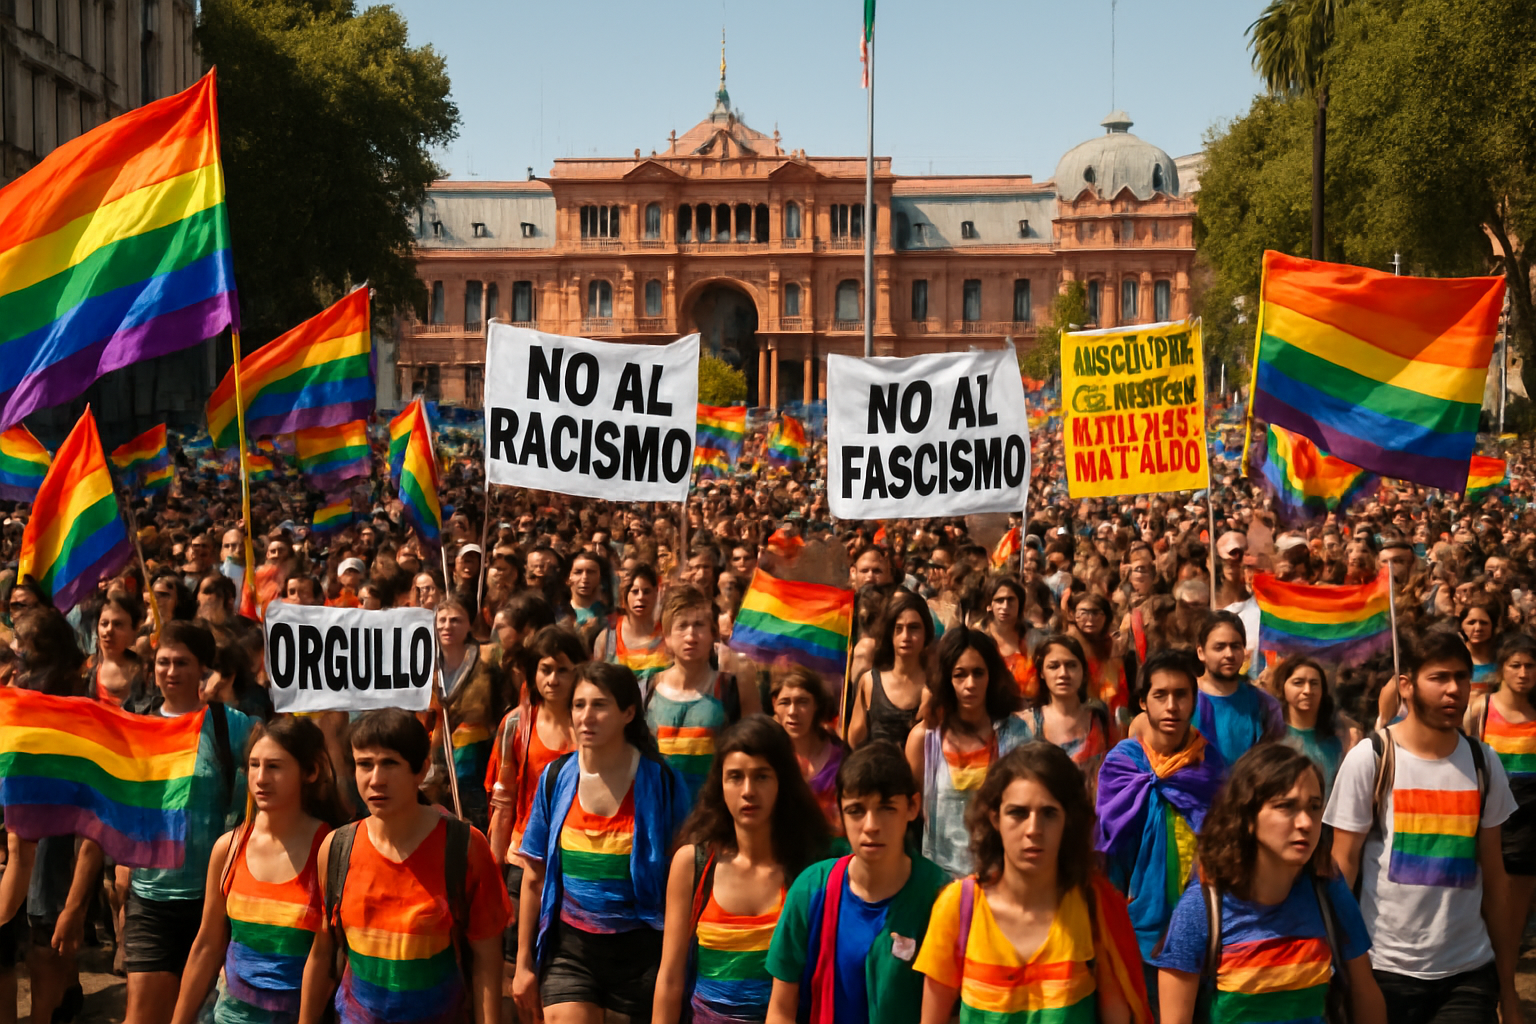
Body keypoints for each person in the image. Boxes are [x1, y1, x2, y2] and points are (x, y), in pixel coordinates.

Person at [1324, 631, 1521, 1024]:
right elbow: (1341, 869)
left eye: (1462, 677)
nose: (1453, 690)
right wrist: (1334, 967)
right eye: (1439, 677)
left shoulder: (1485, 763)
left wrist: (1508, 988)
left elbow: (1496, 881)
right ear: (1406, 686)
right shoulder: (1372, 758)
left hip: (1469, 972)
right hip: (1383, 971)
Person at [298, 708, 510, 1024]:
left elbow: (487, 961)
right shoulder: (336, 848)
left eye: (390, 764)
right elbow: (321, 953)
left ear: (421, 769)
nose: (375, 779)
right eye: (364, 764)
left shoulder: (464, 847)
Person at [914, 743, 1150, 1024]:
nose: (1033, 830)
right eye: (1018, 813)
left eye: (1049, 813)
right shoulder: (958, 908)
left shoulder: (1094, 907)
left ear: (1068, 822)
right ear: (995, 818)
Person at [1152, 744, 1386, 1024]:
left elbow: (1365, 992)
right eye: (1286, 806)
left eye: (1314, 807)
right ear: (1248, 817)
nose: (1306, 823)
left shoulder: (1328, 891)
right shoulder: (1201, 909)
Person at [513, 662, 691, 1024]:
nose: (586, 716)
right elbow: (533, 878)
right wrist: (523, 965)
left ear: (628, 713)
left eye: (600, 705)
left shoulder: (664, 783)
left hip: (642, 955)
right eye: (579, 705)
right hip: (570, 952)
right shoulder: (555, 778)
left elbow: (684, 883)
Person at [653, 716, 829, 1024]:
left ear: (781, 783)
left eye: (762, 776)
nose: (748, 790)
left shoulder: (809, 871)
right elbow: (670, 977)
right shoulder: (693, 866)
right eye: (735, 776)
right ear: (719, 784)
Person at [170, 717, 344, 1024]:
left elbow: (327, 960)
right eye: (254, 765)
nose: (261, 778)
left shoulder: (329, 849)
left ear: (310, 772)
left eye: (275, 766)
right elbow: (207, 945)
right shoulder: (228, 847)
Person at [124, 621, 255, 1024]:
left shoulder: (231, 725)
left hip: (214, 900)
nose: (170, 671)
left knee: (200, 1015)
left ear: (203, 668)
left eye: (182, 662)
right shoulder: (135, 723)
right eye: (163, 662)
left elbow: (265, 788)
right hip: (149, 898)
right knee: (142, 1015)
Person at [764, 741, 948, 1024]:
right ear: (839, 813)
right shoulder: (811, 889)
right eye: (856, 810)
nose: (871, 825)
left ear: (912, 807)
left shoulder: (940, 897)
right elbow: (780, 1009)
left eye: (887, 808)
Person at [1095, 649, 1225, 995]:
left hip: (1201, 925)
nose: (1172, 706)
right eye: (1160, 695)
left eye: (1181, 695)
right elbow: (1108, 846)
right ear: (1142, 702)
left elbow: (1222, 841)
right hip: (1134, 926)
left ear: (1194, 701)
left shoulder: (1209, 764)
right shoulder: (1122, 765)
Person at [905, 628, 1029, 879]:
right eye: (959, 674)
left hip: (1002, 878)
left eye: (978, 673)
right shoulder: (924, 740)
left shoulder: (1017, 735)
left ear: (991, 676)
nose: (970, 684)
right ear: (945, 679)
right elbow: (908, 814)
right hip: (940, 882)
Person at [648, 586, 758, 801]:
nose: (691, 635)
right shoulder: (646, 690)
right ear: (667, 637)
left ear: (712, 635)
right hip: (660, 810)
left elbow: (756, 750)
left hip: (713, 810)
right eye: (682, 626)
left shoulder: (733, 688)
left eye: (699, 625)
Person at [1466, 633, 1536, 947]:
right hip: (1488, 821)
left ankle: (1505, 985)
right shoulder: (1480, 709)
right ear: (1502, 669)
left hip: (1529, 826)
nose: (1523, 673)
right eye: (1516, 665)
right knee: (1482, 908)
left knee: (1515, 916)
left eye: (1531, 666)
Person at [431, 599, 499, 829]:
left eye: (456, 620)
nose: (447, 626)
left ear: (469, 625)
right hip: (435, 763)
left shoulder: (487, 660)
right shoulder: (425, 665)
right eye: (442, 620)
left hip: (476, 761)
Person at [1019, 633, 1112, 798]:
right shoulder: (1026, 724)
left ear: (1083, 670)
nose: (1063, 673)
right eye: (1053, 666)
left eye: (1071, 665)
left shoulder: (1100, 718)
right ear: (1041, 673)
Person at [1191, 611, 1283, 768]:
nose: (1229, 654)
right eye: (1219, 647)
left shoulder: (1264, 705)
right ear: (1201, 652)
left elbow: (1274, 762)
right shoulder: (1182, 699)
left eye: (1235, 646)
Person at [848, 589, 932, 749]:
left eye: (914, 628)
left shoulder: (936, 684)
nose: (905, 636)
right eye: (898, 628)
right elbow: (854, 741)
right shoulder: (870, 682)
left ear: (926, 632)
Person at [770, 667, 846, 831]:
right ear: (774, 705)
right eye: (785, 702)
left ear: (817, 705)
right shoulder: (769, 756)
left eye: (802, 702)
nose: (792, 712)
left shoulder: (841, 758)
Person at [1267, 654, 1352, 799]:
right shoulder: (1270, 739)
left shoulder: (1337, 743)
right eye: (1298, 683)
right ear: (1283, 687)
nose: (1307, 690)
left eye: (1314, 683)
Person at [594, 563, 666, 696]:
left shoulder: (668, 635)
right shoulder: (607, 638)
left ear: (656, 593)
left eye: (647, 591)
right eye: (635, 591)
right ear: (625, 596)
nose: (640, 597)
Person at [89, 593, 145, 706]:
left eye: (118, 625)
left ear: (134, 629)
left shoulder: (146, 673)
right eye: (104, 624)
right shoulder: (86, 671)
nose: (109, 630)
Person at [1459, 595, 1502, 696]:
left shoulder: (1502, 659)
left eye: (1484, 623)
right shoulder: (1454, 656)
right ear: (1462, 625)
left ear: (1493, 626)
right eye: (1471, 622)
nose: (1478, 628)